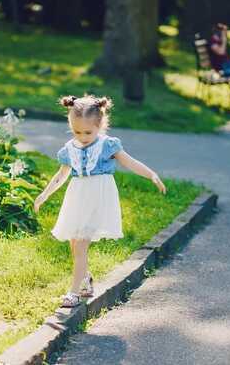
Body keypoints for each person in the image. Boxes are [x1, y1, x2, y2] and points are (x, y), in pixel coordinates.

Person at [33, 95, 166, 308]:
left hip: (97, 197)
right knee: (74, 243)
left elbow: (130, 163)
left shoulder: (107, 145)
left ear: (100, 125)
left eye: (88, 132)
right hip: (77, 197)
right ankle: (85, 280)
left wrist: (151, 175)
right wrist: (44, 194)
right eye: (77, 132)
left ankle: (73, 293)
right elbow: (61, 175)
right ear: (70, 125)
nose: (83, 137)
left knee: (81, 244)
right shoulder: (70, 148)